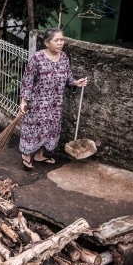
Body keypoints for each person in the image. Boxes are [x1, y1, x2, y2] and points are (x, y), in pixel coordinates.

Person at [19, 28, 88, 170]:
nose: (60, 43)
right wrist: (24, 102)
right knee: (33, 129)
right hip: (37, 103)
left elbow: (67, 77)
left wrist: (75, 82)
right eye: (56, 40)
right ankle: (26, 156)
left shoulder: (64, 58)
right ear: (46, 43)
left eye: (62, 40)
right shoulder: (37, 59)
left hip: (55, 104)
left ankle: (39, 155)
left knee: (49, 129)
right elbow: (27, 81)